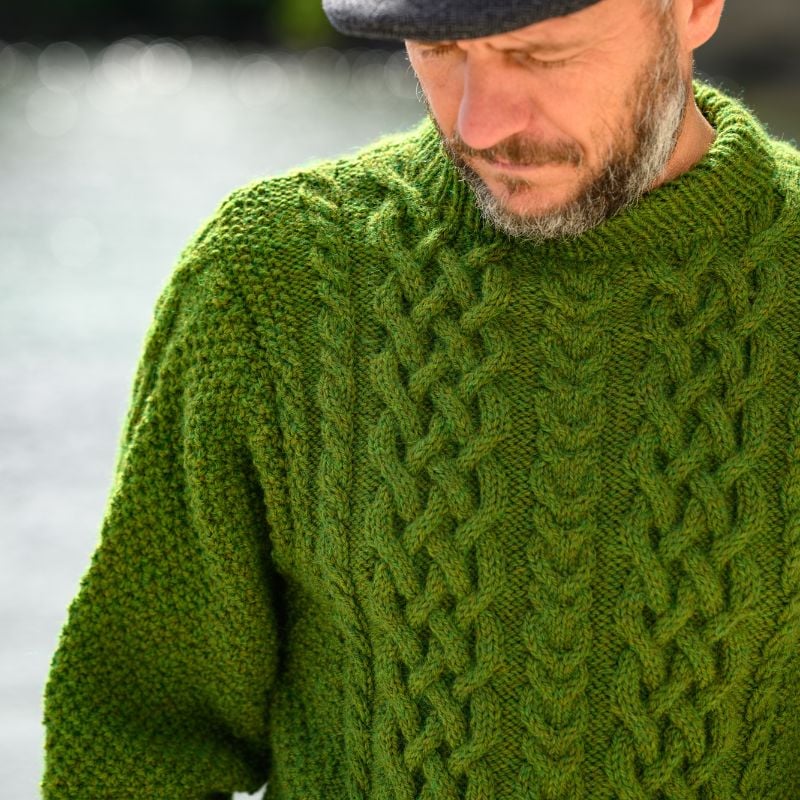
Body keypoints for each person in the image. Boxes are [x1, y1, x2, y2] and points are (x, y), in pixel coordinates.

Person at [42, 0, 800, 797]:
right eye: (439, 51)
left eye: (540, 55)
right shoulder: (272, 283)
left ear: (693, 8)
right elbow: (131, 743)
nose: (480, 123)